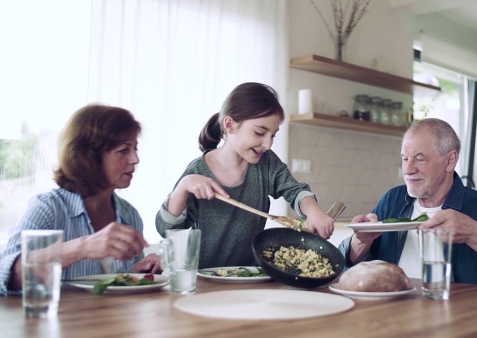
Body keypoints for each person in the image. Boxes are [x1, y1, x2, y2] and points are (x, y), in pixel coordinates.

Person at [339, 118, 477, 290]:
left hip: (458, 320)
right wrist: (361, 241)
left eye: (419, 159)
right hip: (392, 316)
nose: (408, 170)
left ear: (450, 160)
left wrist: (474, 233)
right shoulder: (393, 199)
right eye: (405, 159)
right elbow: (342, 266)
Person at [156, 82, 334, 269]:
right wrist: (183, 187)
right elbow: (167, 230)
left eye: (273, 135)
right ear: (230, 125)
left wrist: (313, 211)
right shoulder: (197, 172)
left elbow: (295, 191)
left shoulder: (267, 163)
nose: (267, 144)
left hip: (251, 275)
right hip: (206, 279)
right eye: (259, 133)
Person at [0, 104, 161, 296]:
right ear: (88, 156)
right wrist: (81, 247)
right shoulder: (48, 208)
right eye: (123, 150)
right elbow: (4, 275)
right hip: (55, 323)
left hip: (108, 323)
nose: (135, 159)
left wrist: (137, 273)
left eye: (135, 148)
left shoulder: (129, 215)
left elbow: (115, 285)